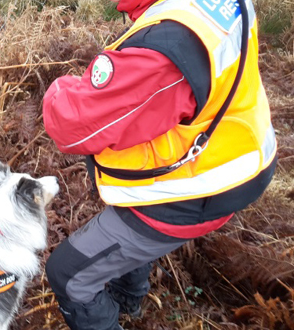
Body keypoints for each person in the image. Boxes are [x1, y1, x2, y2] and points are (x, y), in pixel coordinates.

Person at [41, 0, 277, 329]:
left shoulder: (163, 47)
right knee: (124, 225)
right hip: (237, 156)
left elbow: (72, 125)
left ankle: (122, 305)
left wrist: (62, 88)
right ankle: (129, 300)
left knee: (67, 275)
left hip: (190, 194)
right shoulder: (210, 7)